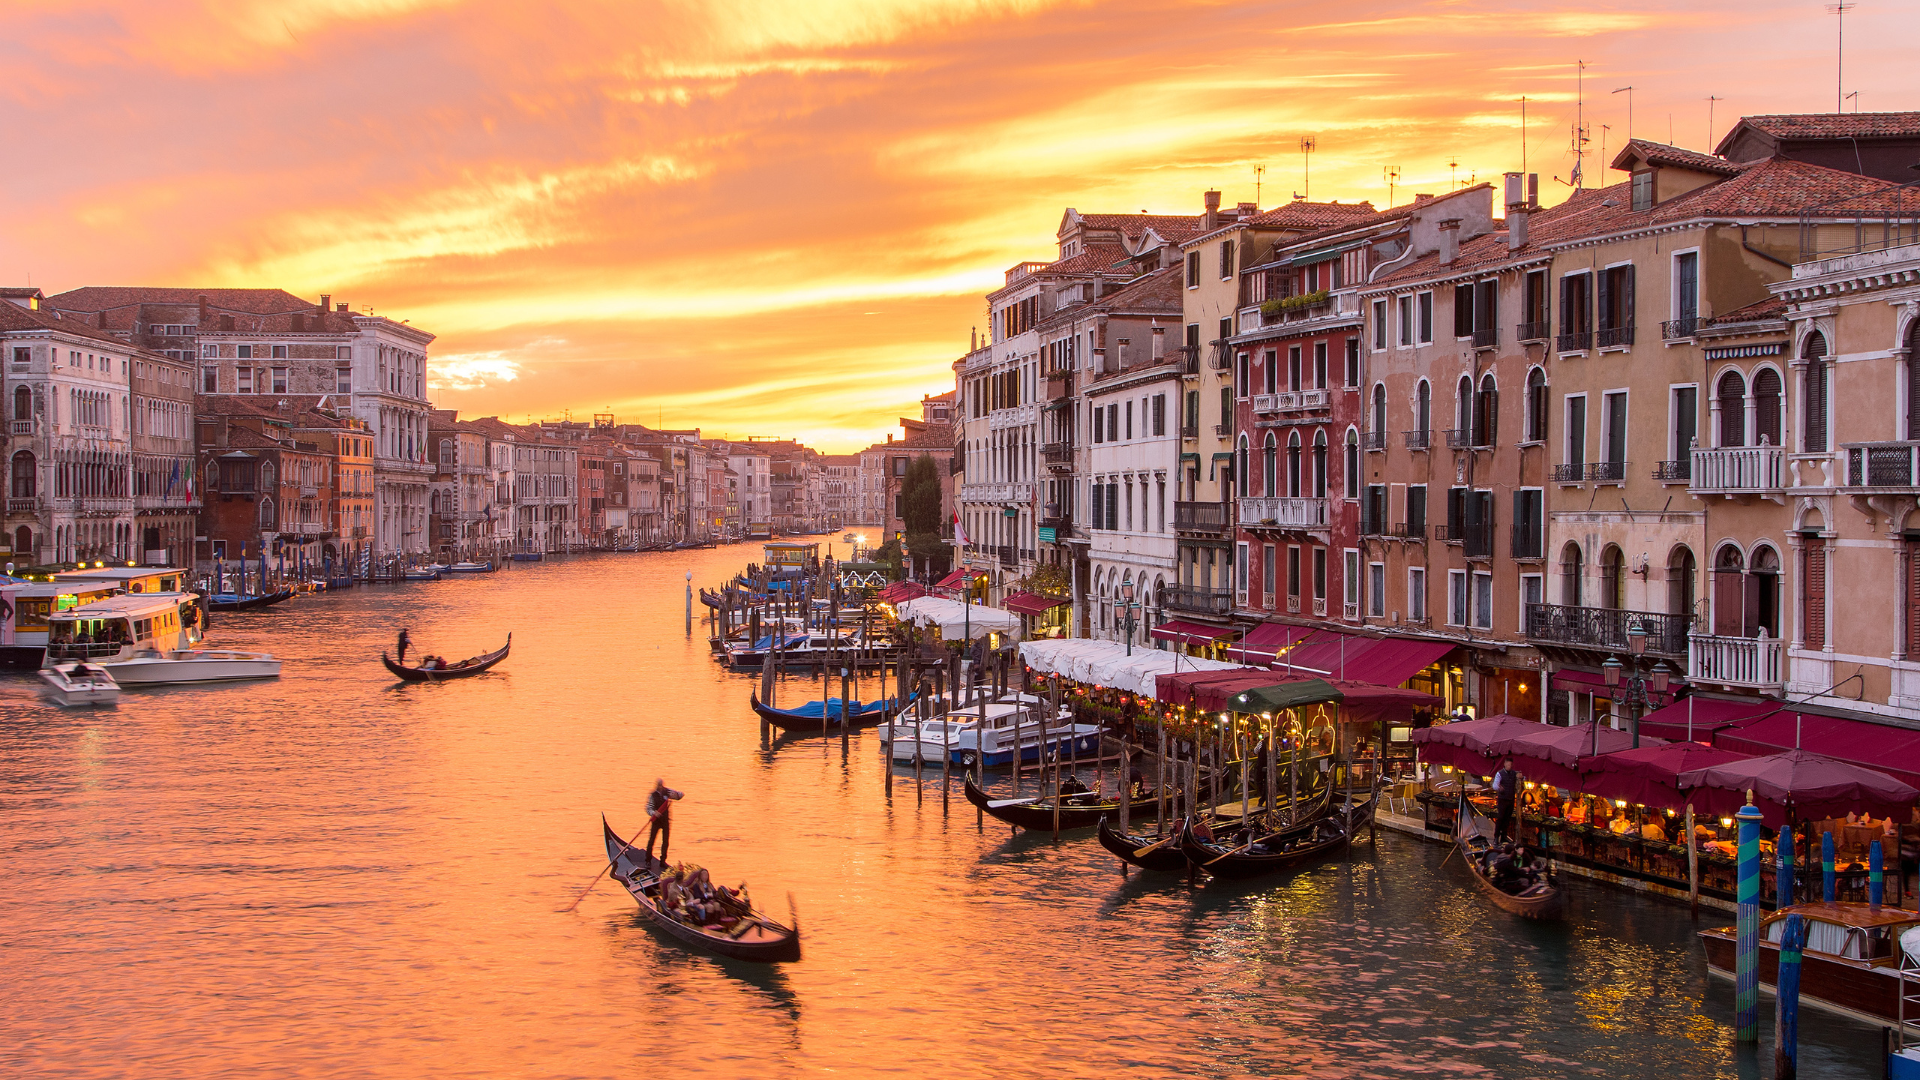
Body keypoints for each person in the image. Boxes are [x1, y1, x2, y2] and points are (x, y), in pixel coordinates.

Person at [645, 779, 684, 863]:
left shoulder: (667, 791)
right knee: (651, 840)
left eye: (661, 785)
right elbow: (648, 808)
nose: (660, 787)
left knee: (665, 841)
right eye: (658, 785)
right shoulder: (652, 795)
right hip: (656, 821)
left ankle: (663, 861)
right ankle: (648, 860)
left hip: (665, 821)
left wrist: (676, 794)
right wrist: (654, 813)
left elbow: (680, 795)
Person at [1491, 757, 1520, 842]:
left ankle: (1504, 836)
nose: (1509, 766)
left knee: (1507, 818)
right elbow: (1495, 785)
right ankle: (1496, 836)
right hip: (1502, 799)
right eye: (1507, 764)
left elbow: (1521, 778)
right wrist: (1499, 788)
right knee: (1501, 817)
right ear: (1504, 764)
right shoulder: (1500, 773)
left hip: (1510, 799)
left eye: (1510, 764)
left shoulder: (1513, 773)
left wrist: (1521, 777)